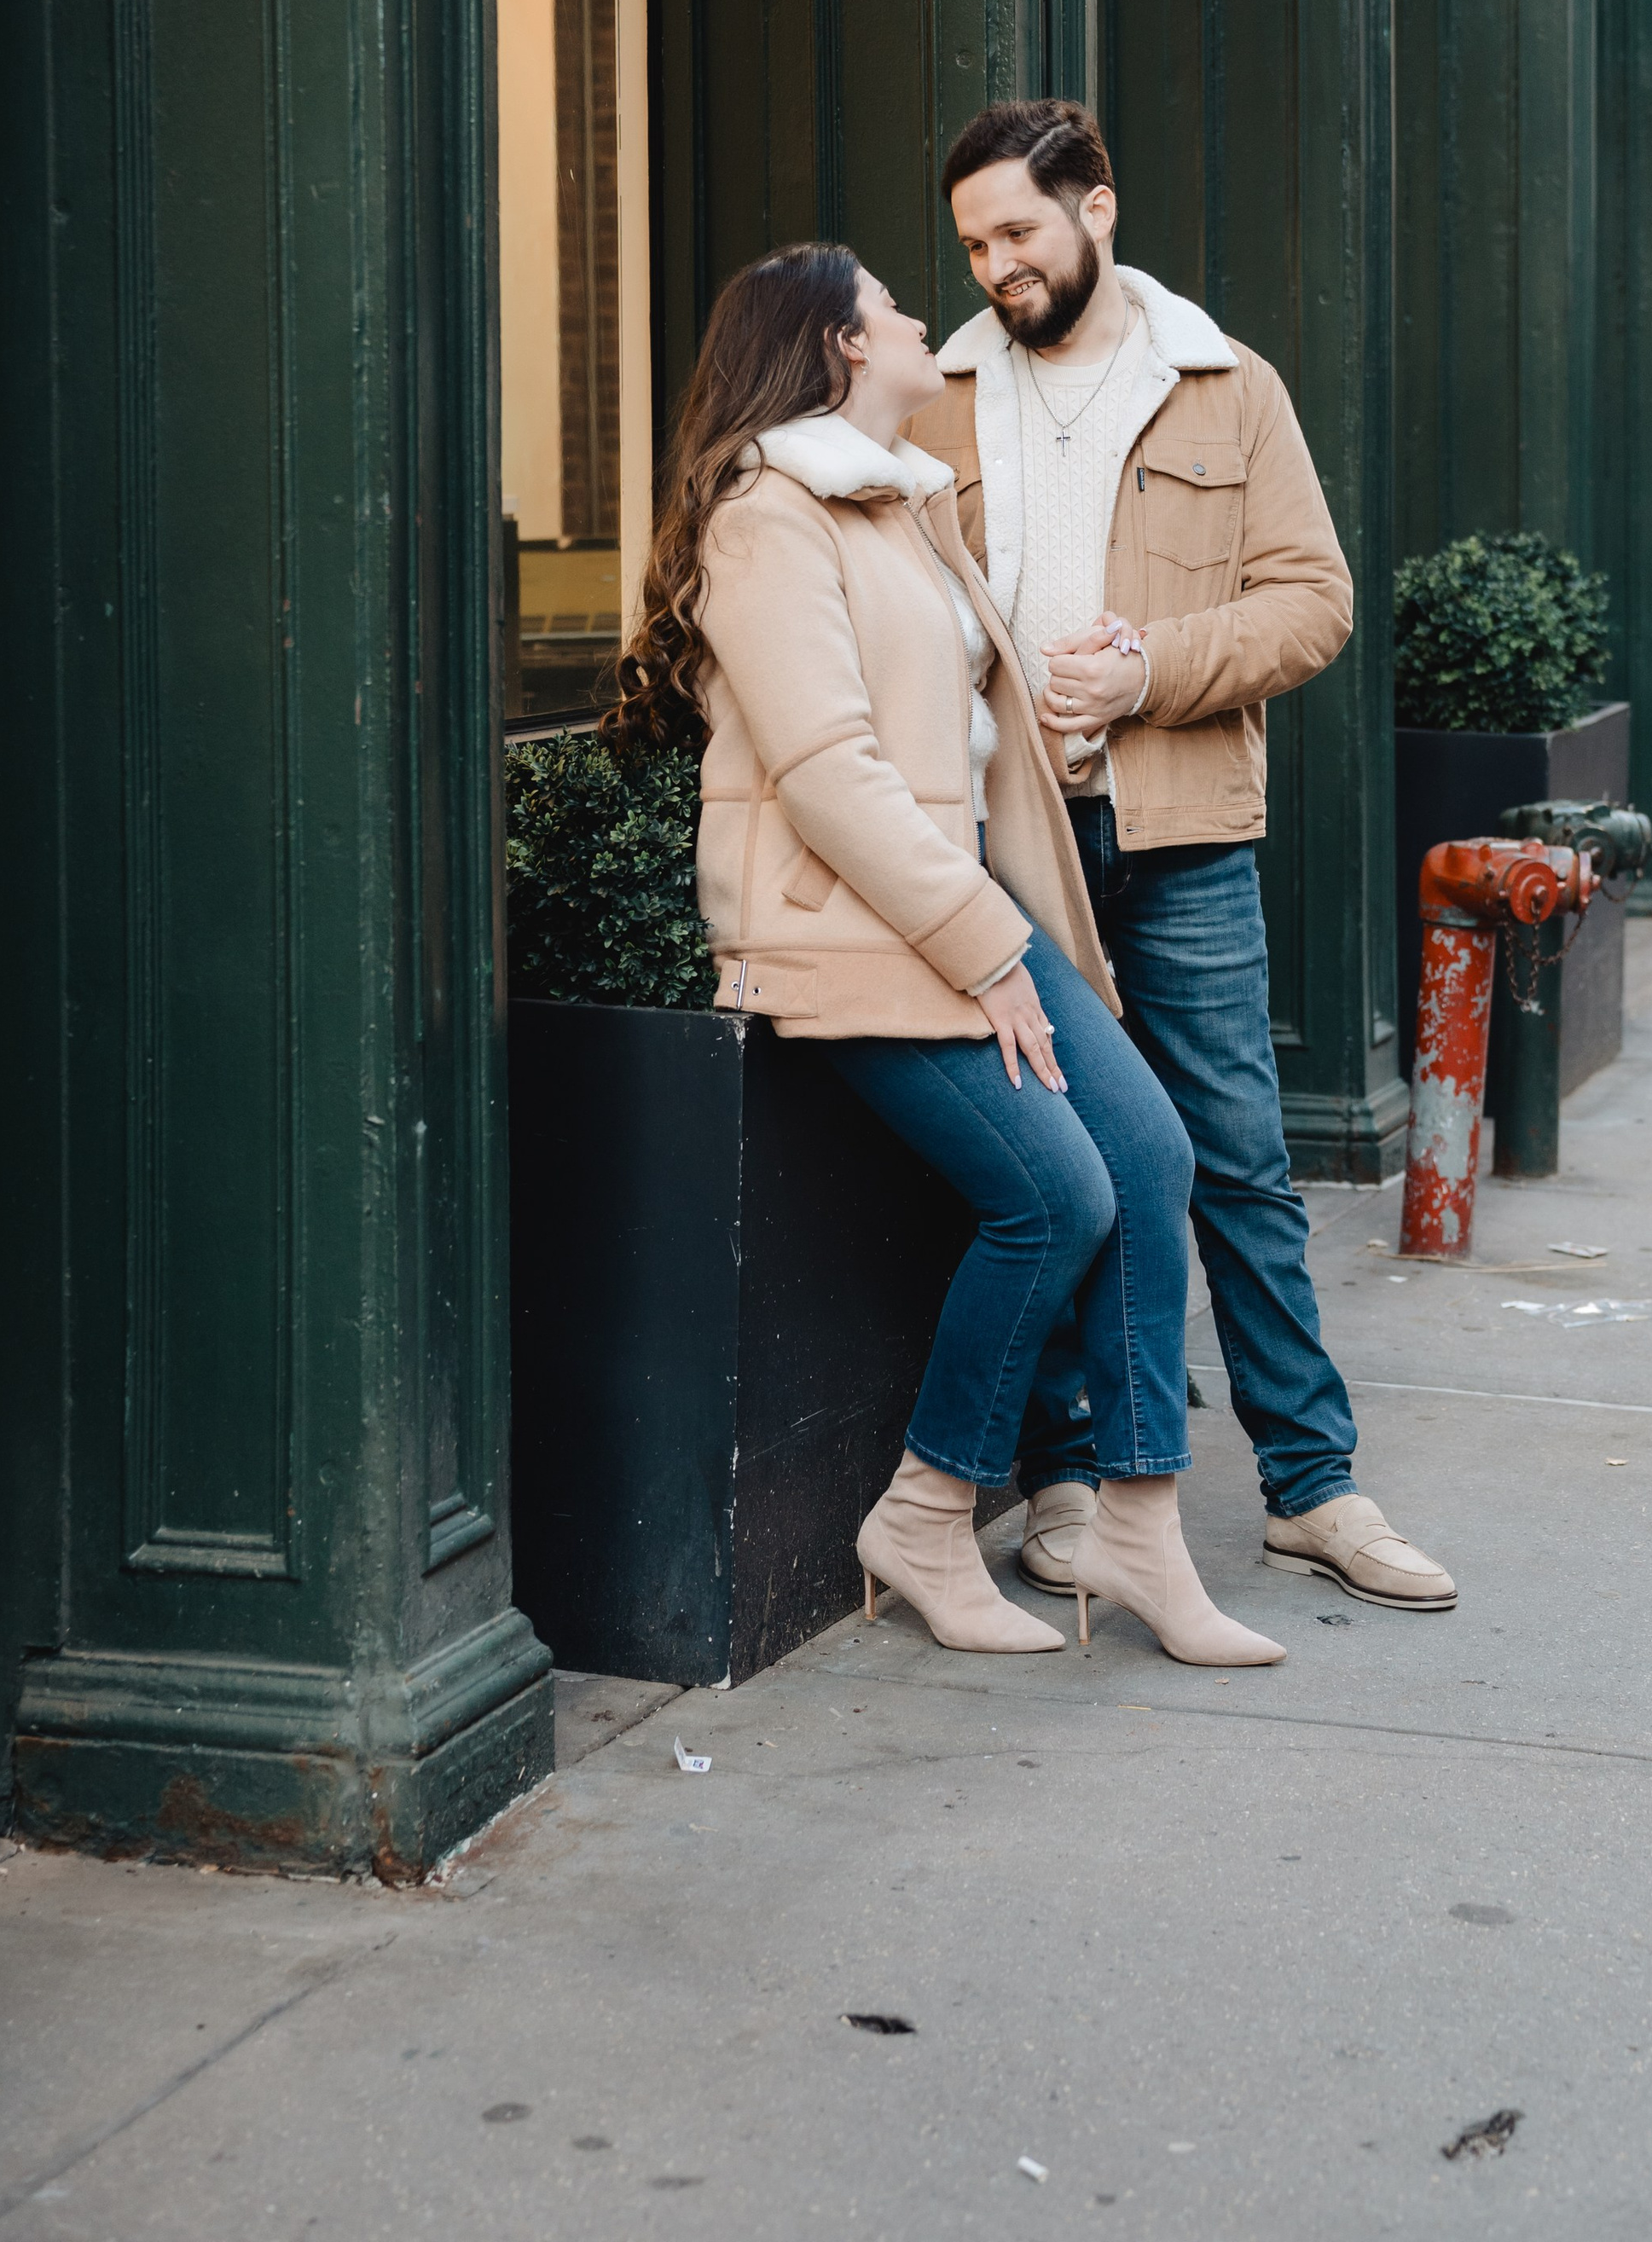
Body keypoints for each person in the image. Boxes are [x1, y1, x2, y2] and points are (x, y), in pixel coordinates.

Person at [614, 239, 1284, 1667]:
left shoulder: (903, 504)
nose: (931, 315)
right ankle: (925, 1513)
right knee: (1053, 1199)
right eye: (896, 307)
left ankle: (1139, 1529)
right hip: (854, 936)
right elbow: (828, 771)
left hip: (966, 912)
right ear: (843, 347)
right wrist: (988, 954)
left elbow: (971, 760)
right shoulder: (768, 517)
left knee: (1150, 1160)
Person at [910, 100, 1458, 1613]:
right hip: (1004, 847)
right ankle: (1069, 1480)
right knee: (1061, 1162)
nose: (997, 266)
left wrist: (1152, 669)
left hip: (1183, 831)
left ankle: (1314, 1486)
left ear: (1096, 205)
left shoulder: (1225, 387)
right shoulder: (935, 398)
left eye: (1019, 230)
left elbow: (1316, 601)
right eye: (971, 244)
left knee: (1240, 1163)